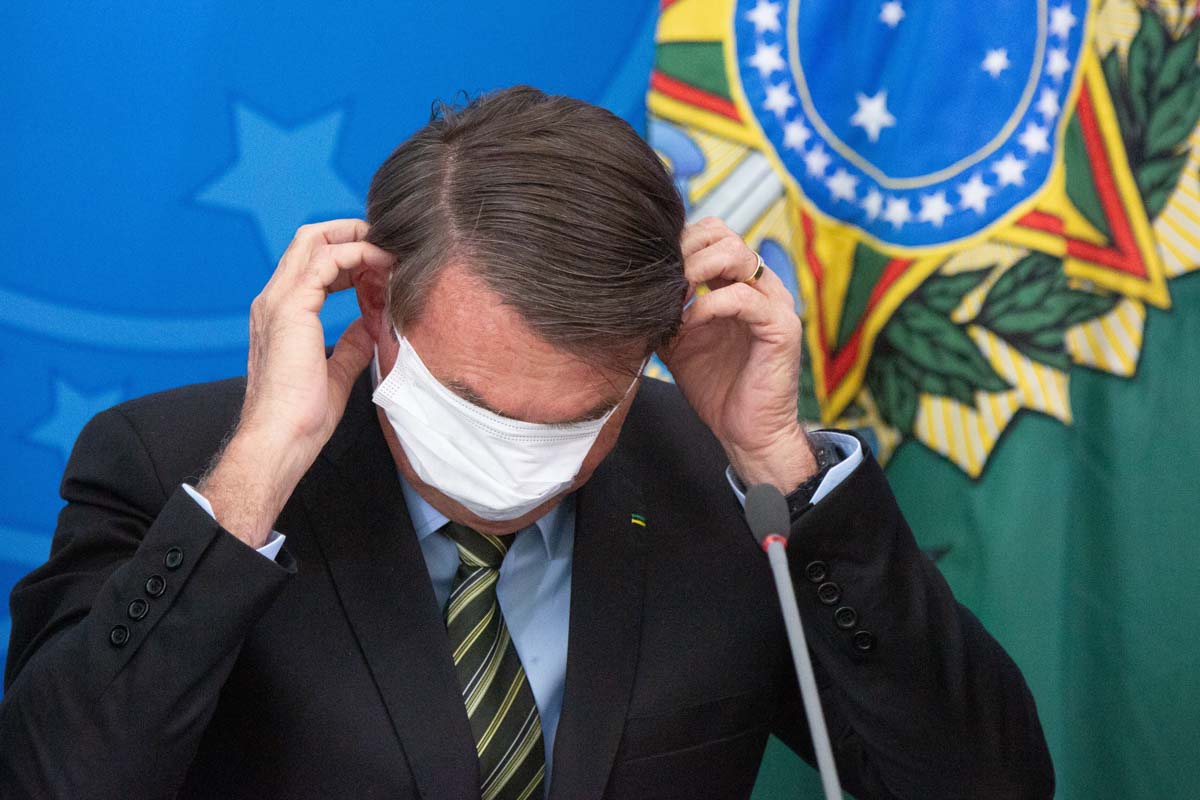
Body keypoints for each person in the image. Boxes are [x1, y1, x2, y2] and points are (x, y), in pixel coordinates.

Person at [0, 86, 1053, 799]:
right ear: (378, 301)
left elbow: (986, 784)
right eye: (472, 401)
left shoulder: (717, 481)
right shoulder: (170, 463)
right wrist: (256, 477)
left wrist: (780, 462)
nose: (514, 454)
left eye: (574, 418)